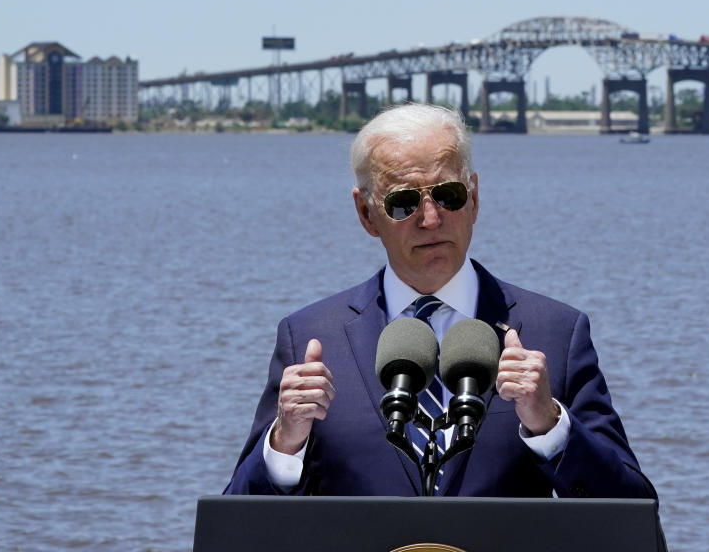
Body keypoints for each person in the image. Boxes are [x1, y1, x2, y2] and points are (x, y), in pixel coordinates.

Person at [225, 103, 658, 500]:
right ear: (366, 214)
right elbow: (235, 527)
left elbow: (633, 510)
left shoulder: (556, 335)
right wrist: (285, 444)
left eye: (448, 195)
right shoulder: (309, 340)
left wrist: (551, 426)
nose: (431, 220)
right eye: (403, 203)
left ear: (474, 196)